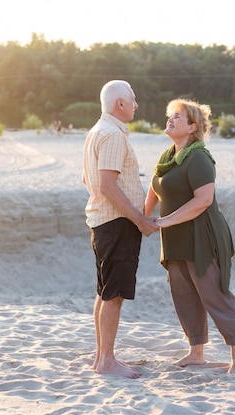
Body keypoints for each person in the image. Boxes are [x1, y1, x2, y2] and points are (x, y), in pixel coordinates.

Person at [144, 98, 235, 374]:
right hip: (175, 237)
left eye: (177, 116)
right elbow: (155, 188)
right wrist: (144, 219)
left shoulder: (199, 157)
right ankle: (196, 352)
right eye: (170, 115)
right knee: (184, 295)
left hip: (202, 237)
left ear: (192, 127)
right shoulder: (168, 157)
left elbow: (203, 200)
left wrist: (164, 221)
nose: (170, 119)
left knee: (215, 294)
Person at [82, 80, 159, 379]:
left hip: (103, 222)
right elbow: (106, 185)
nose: (136, 105)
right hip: (116, 224)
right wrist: (140, 220)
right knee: (113, 294)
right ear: (120, 104)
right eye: (133, 99)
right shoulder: (112, 135)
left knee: (105, 292)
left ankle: (103, 358)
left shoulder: (95, 132)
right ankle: (107, 362)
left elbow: (89, 181)